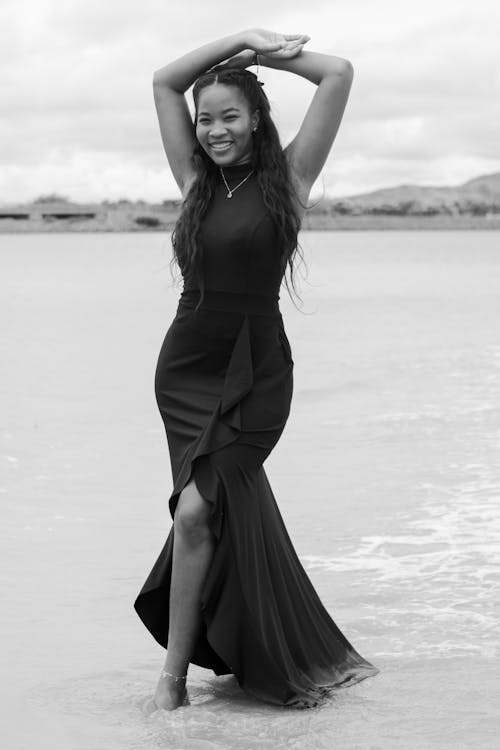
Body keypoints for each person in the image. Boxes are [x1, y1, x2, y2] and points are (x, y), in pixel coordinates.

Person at [134, 27, 379, 712]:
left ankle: (171, 682)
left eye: (229, 116)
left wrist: (266, 55)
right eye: (206, 118)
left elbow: (338, 73)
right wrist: (230, 41)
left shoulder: (291, 179)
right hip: (185, 371)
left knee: (193, 514)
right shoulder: (194, 182)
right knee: (206, 516)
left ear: (256, 119)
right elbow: (163, 81)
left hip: (259, 372)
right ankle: (230, 650)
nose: (214, 130)